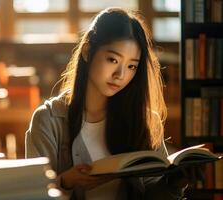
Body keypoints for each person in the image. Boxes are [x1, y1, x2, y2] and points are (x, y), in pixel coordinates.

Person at [25, 7, 188, 200]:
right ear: (87, 51)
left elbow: (152, 192)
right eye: (112, 60)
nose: (120, 75)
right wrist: (66, 182)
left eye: (131, 66)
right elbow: (32, 194)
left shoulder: (143, 120)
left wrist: (175, 184)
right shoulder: (48, 120)